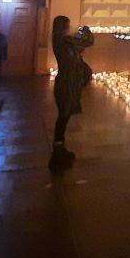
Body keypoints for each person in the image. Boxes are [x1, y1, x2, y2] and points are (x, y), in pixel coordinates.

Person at [49, 16, 93, 172]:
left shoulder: (61, 40)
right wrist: (86, 29)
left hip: (67, 83)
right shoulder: (65, 40)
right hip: (65, 85)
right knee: (63, 116)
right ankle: (57, 152)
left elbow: (79, 48)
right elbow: (88, 42)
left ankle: (60, 147)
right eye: (68, 24)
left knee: (64, 116)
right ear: (64, 26)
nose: (70, 27)